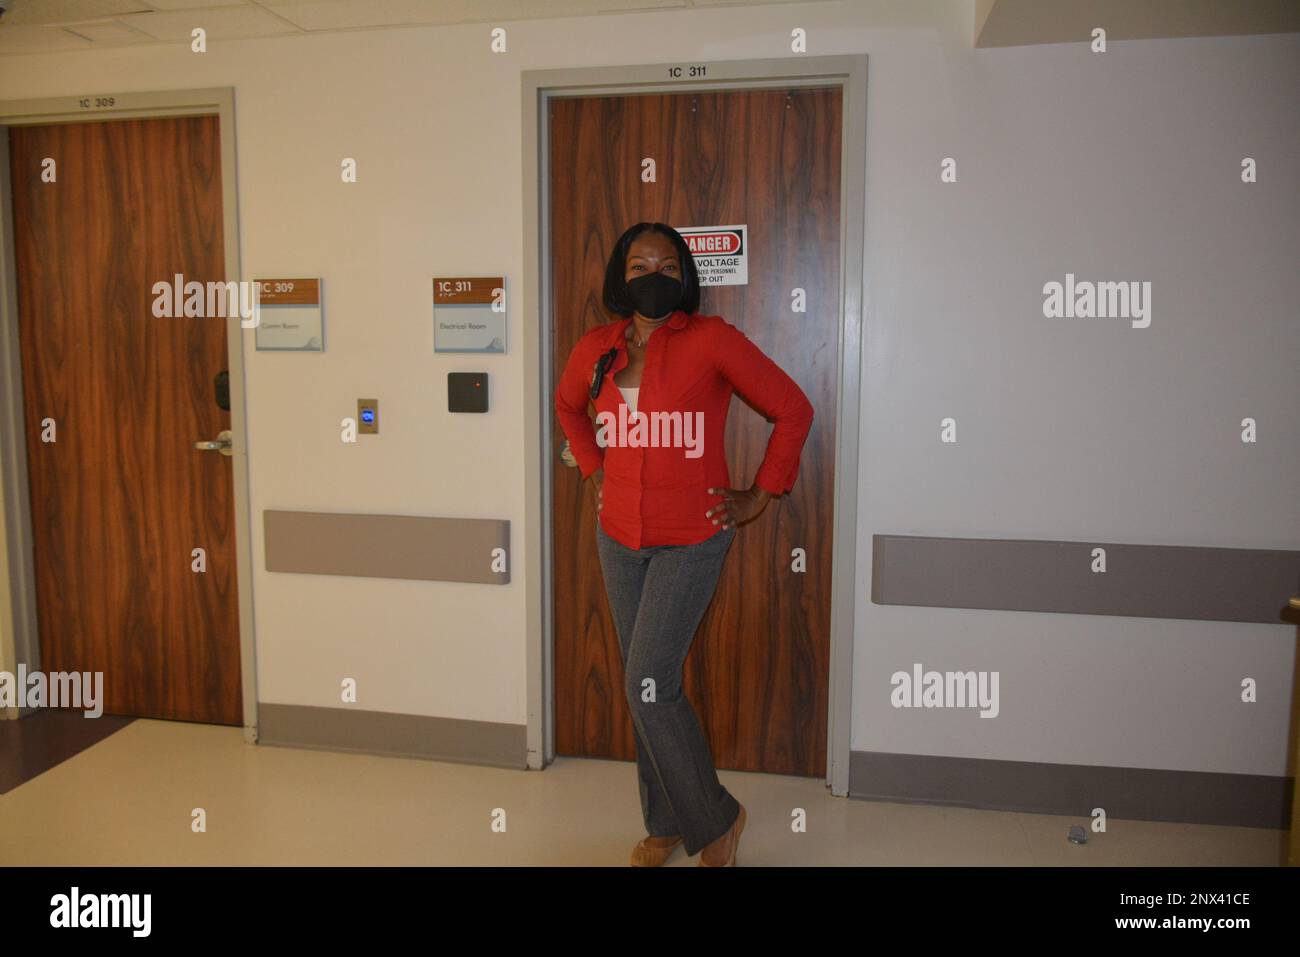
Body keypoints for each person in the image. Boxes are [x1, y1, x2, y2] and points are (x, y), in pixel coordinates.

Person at [554, 222, 814, 866]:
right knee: (641, 681)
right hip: (618, 536)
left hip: (692, 537)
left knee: (649, 679)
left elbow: (794, 409)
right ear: (621, 276)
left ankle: (717, 817)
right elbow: (567, 409)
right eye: (639, 265)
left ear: (685, 275)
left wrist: (762, 493)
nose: (652, 276)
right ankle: (665, 818)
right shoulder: (597, 347)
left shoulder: (712, 341)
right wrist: (592, 467)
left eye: (667, 265)